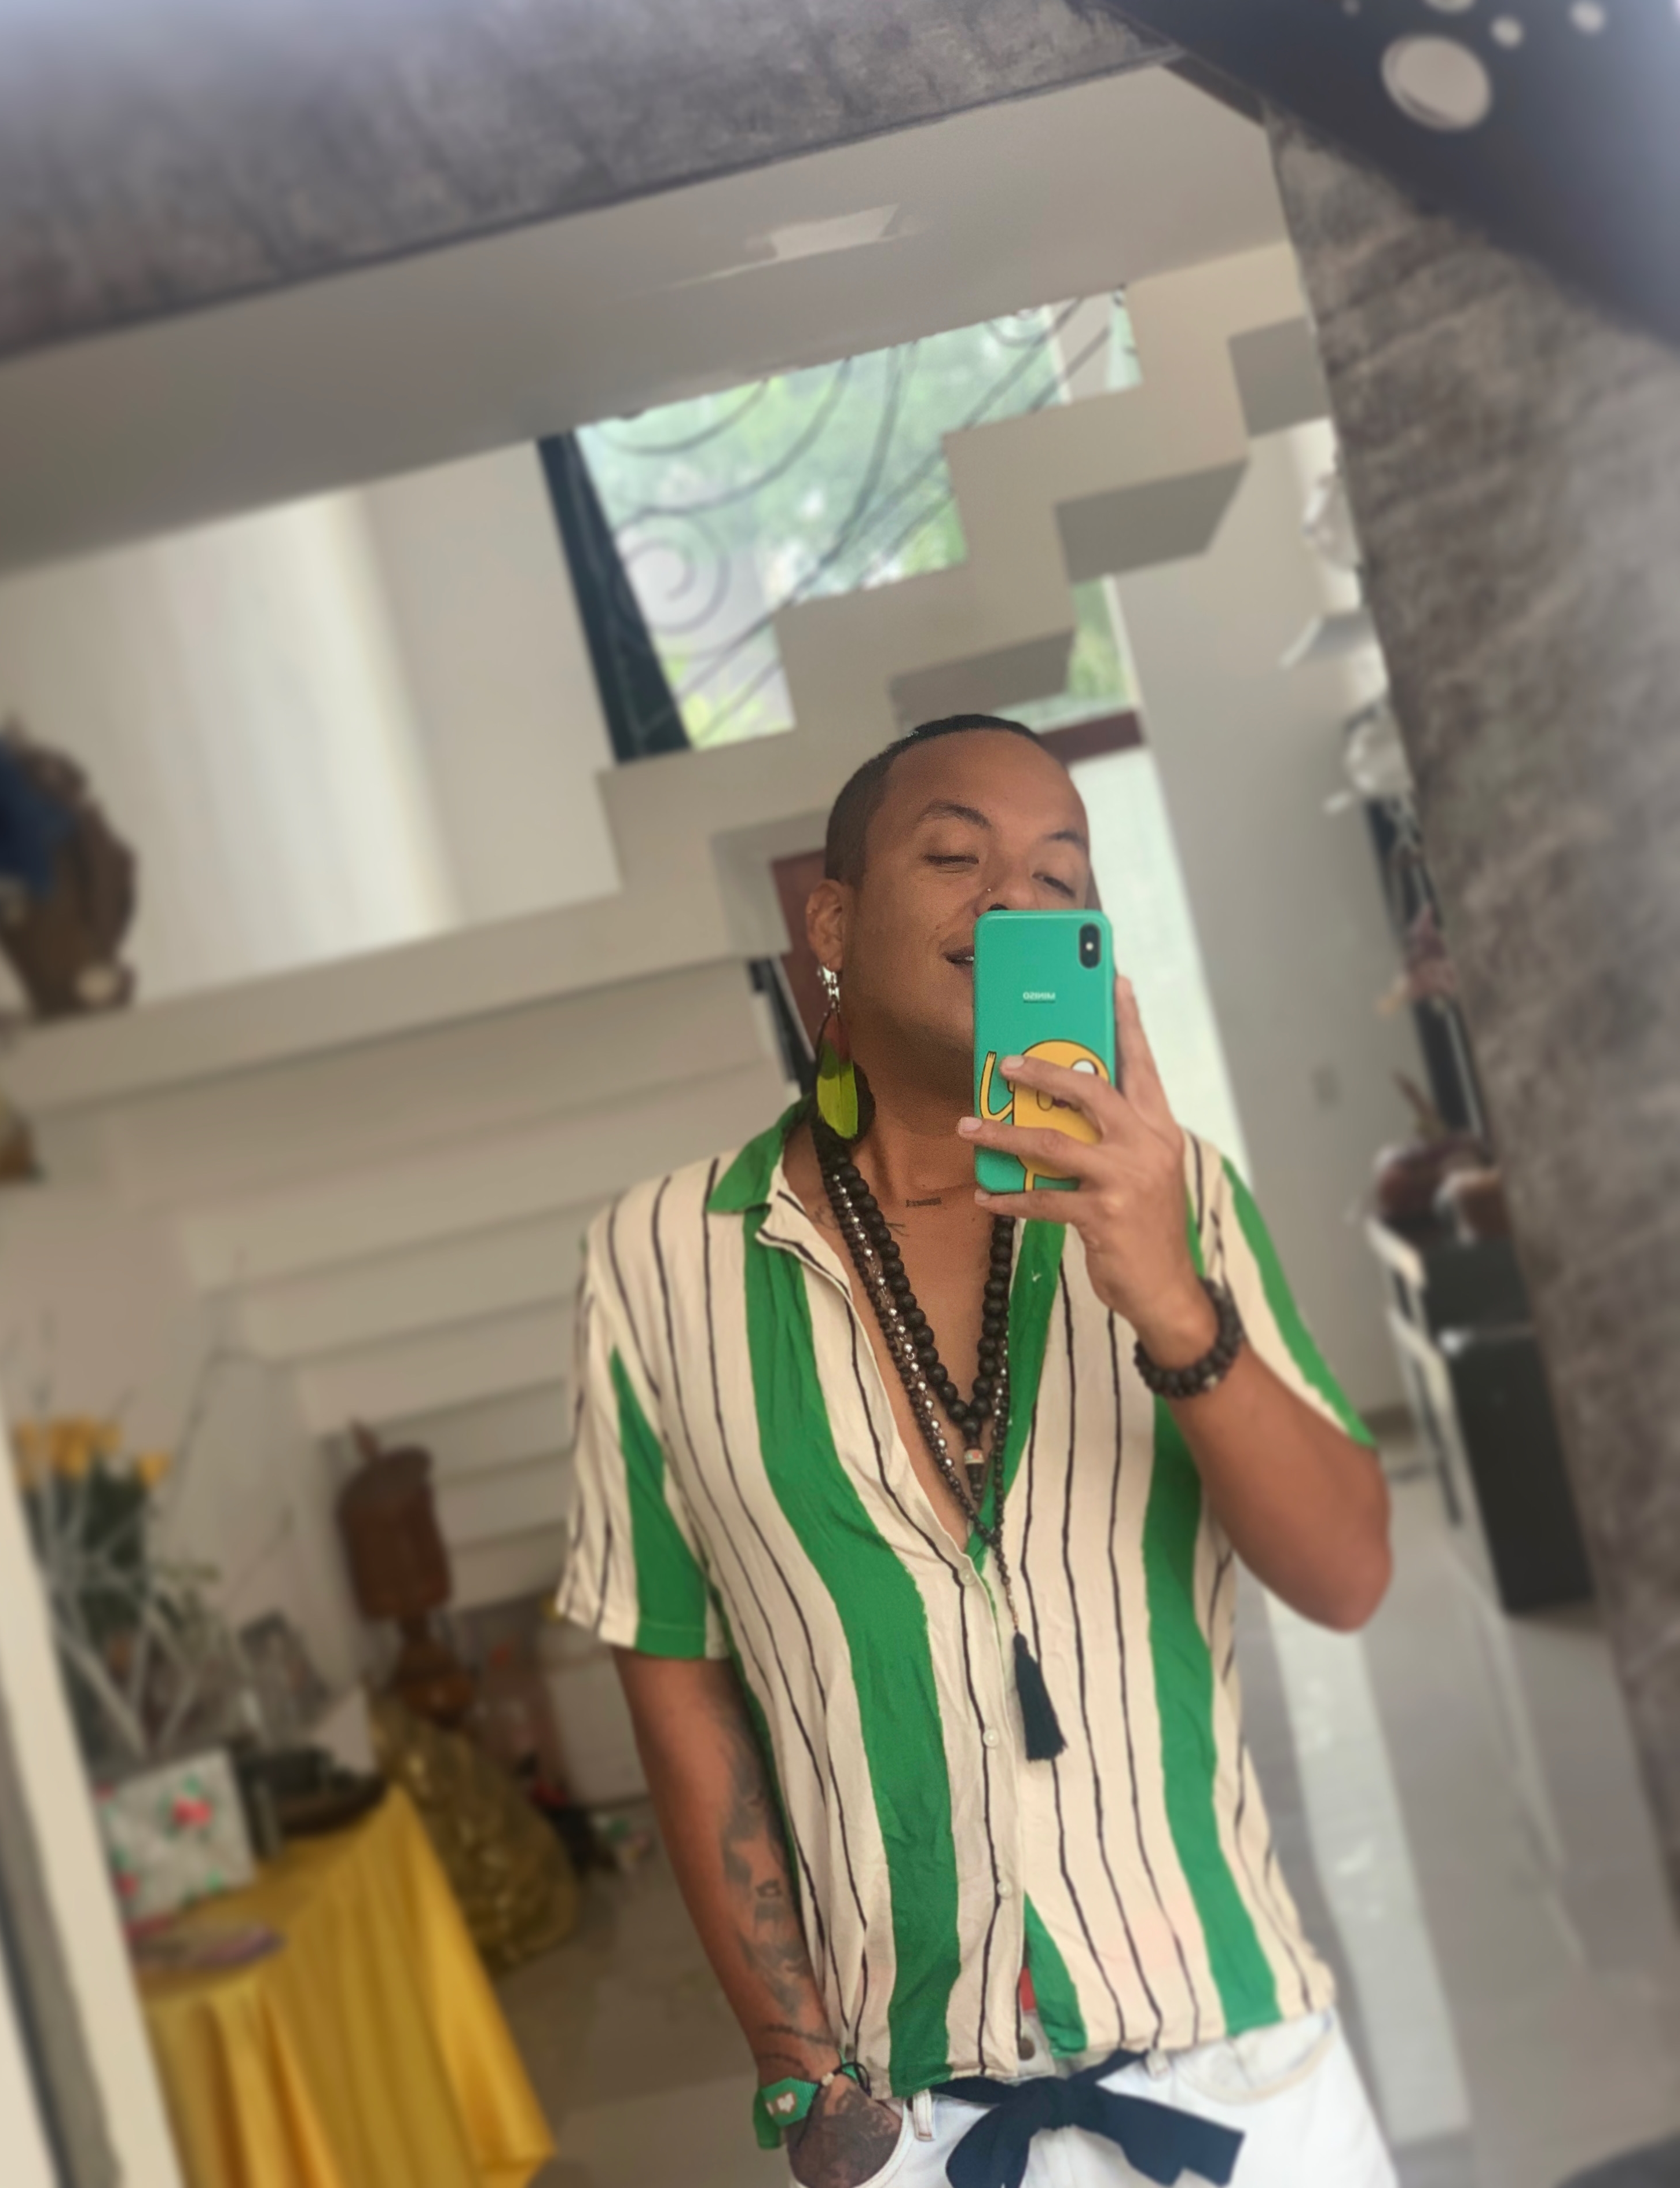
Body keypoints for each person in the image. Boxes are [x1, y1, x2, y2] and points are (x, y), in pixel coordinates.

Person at [559, 715, 1397, 2187]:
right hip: (918, 2130)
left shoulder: (1177, 1194)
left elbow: (1348, 1575)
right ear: (831, 926)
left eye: (1060, 877)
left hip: (1242, 2088)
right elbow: (677, 1681)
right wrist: (801, 2073)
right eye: (956, 857)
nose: (1015, 897)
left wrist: (1167, 1296)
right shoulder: (661, 1260)